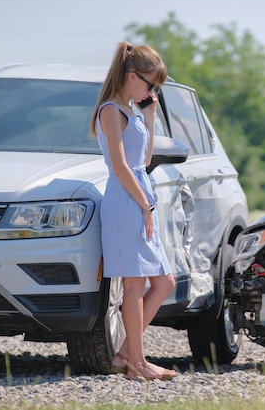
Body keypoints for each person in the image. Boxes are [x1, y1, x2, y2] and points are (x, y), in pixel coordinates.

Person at [90, 41, 177, 381]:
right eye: (150, 83)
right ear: (131, 76)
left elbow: (143, 162)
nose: (152, 90)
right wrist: (145, 204)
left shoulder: (132, 112)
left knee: (164, 282)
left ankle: (127, 353)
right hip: (128, 202)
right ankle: (137, 364)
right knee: (134, 285)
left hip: (139, 198)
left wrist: (151, 116)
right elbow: (121, 166)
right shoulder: (110, 110)